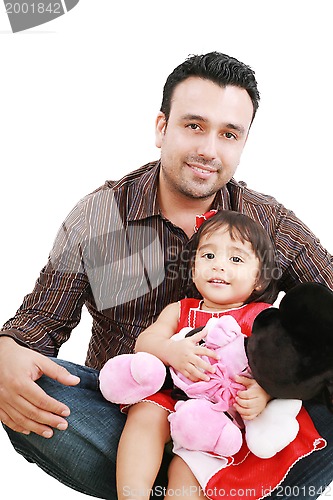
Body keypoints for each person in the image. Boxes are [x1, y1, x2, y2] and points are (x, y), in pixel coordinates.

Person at [0, 51, 332, 499]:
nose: (208, 150)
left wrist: (273, 392)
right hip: (124, 419)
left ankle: (211, 481)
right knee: (25, 381)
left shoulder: (268, 225)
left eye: (228, 134)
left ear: (242, 143)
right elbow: (38, 326)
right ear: (162, 128)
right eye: (194, 125)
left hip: (235, 423)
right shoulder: (100, 216)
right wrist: (6, 354)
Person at [102, 210, 323, 500]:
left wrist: (265, 392)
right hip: (174, 396)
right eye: (208, 256)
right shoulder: (181, 309)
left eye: (235, 259)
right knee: (146, 411)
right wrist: (170, 350)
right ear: (193, 268)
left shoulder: (263, 317)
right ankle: (132, 495)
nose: (218, 266)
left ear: (259, 280)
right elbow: (145, 341)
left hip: (221, 416)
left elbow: (288, 368)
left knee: (189, 468)